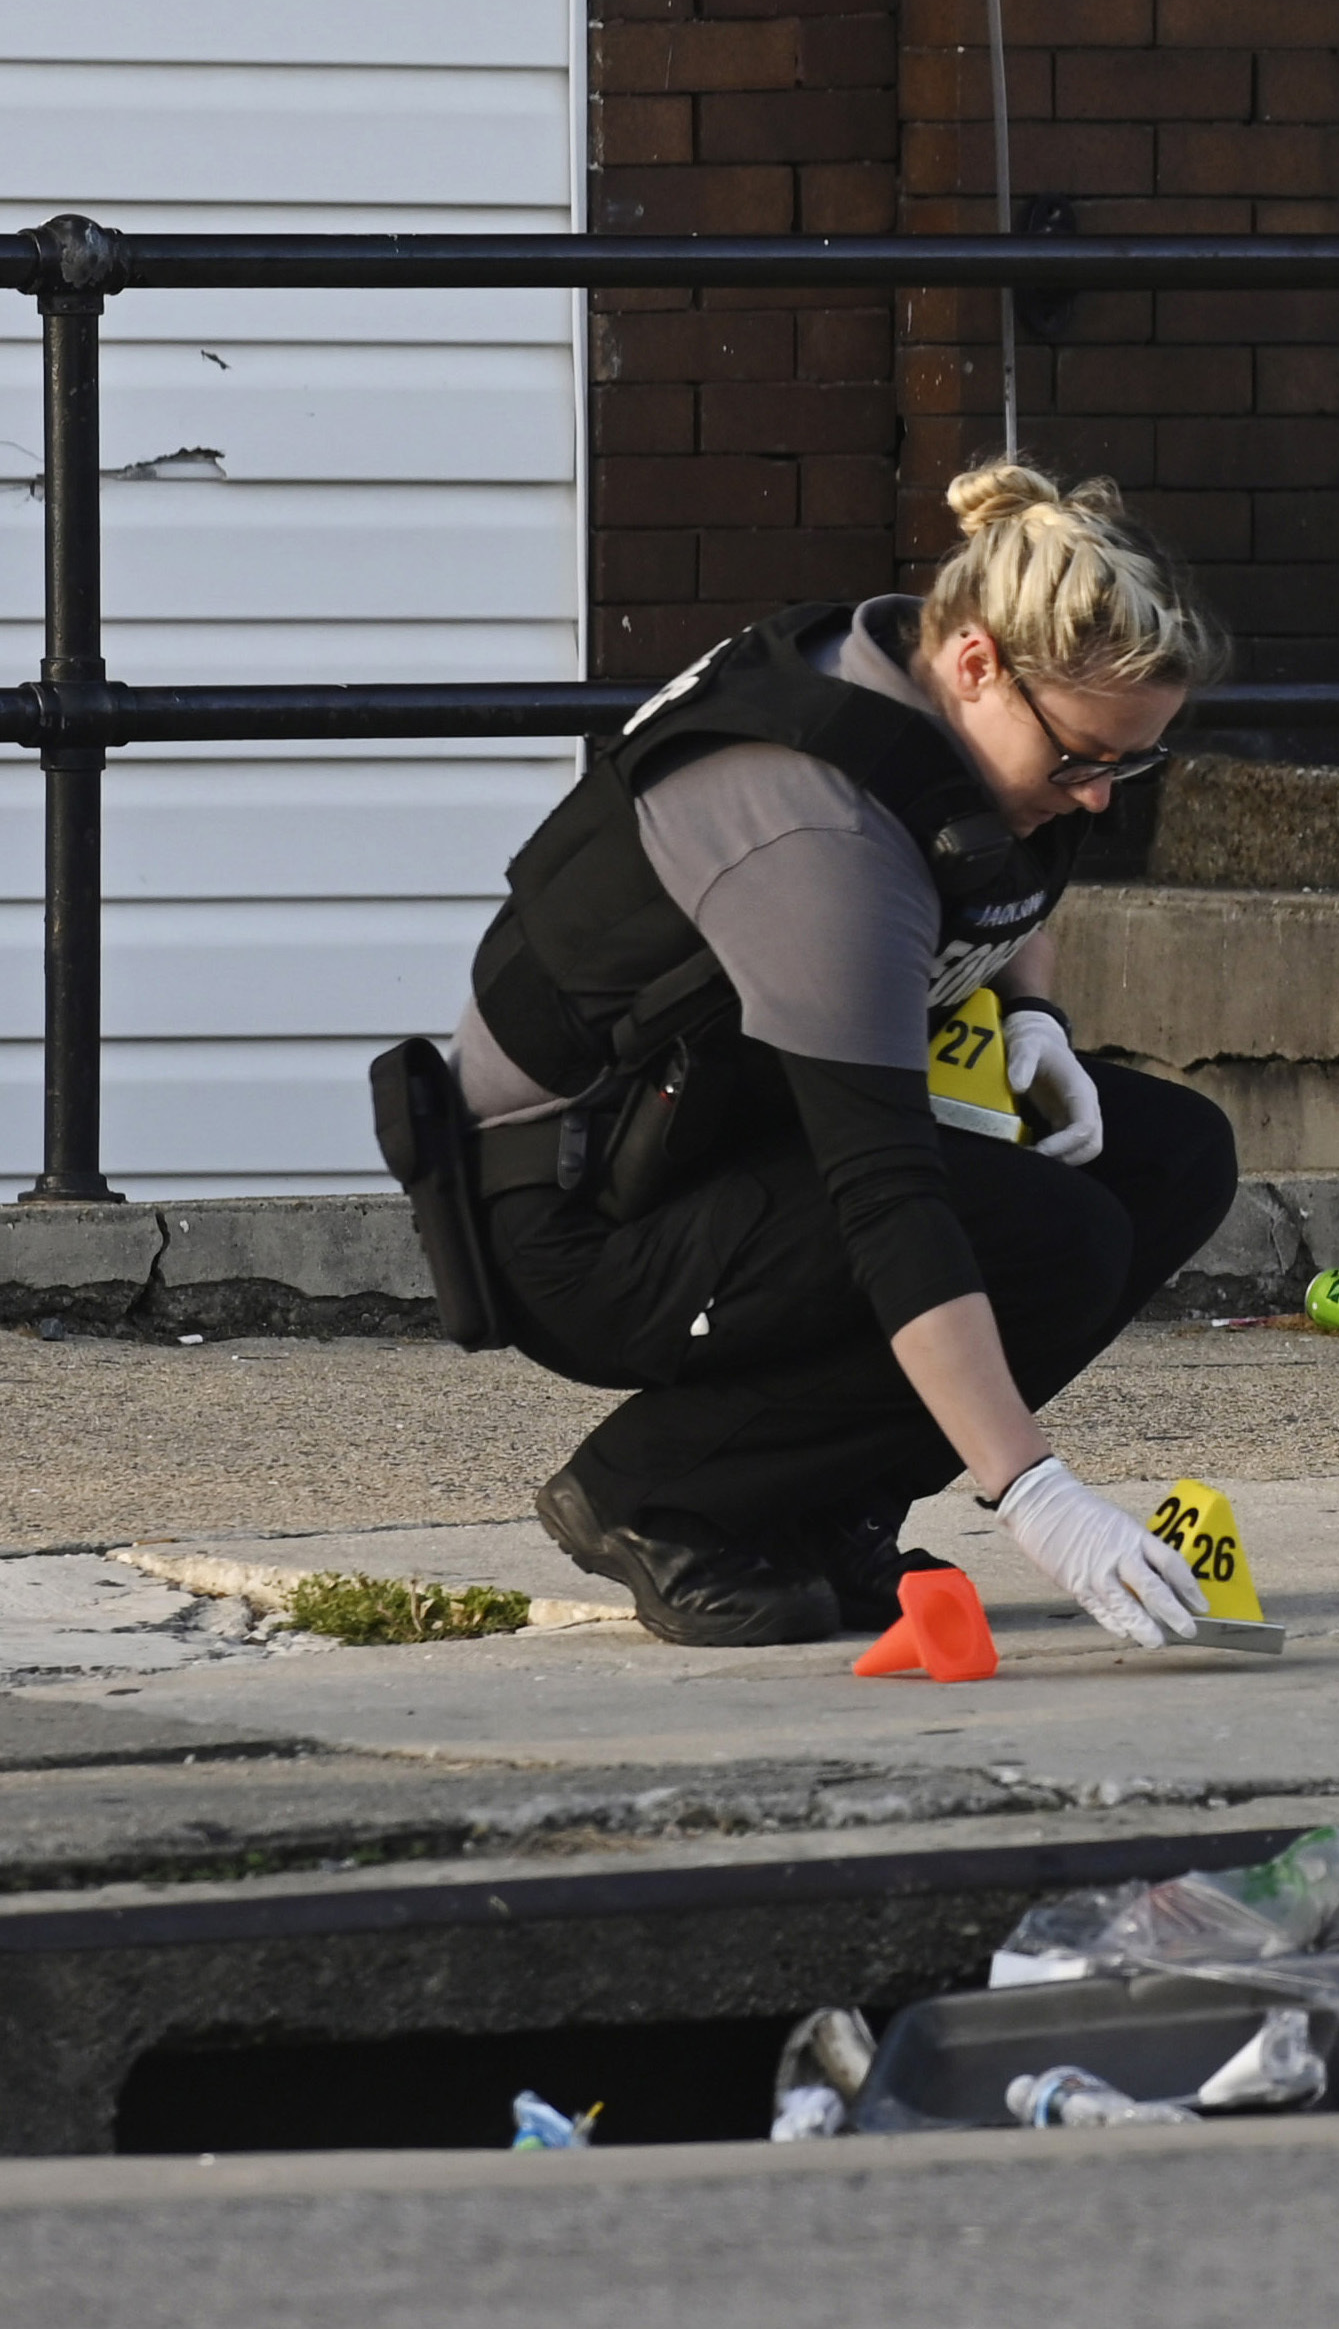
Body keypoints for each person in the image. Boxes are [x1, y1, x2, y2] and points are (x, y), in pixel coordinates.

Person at [449, 460, 1239, 1649]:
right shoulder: (814, 818)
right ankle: (659, 1496)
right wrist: (1035, 1494)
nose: (1096, 800)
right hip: (577, 1223)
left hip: (717, 1140)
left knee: (1169, 1155)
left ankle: (822, 1513)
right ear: (979, 664)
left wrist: (1036, 1019)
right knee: (1043, 1234)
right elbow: (886, 1200)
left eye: (1129, 763)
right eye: (1083, 757)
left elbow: (998, 878)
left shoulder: (922, 691)